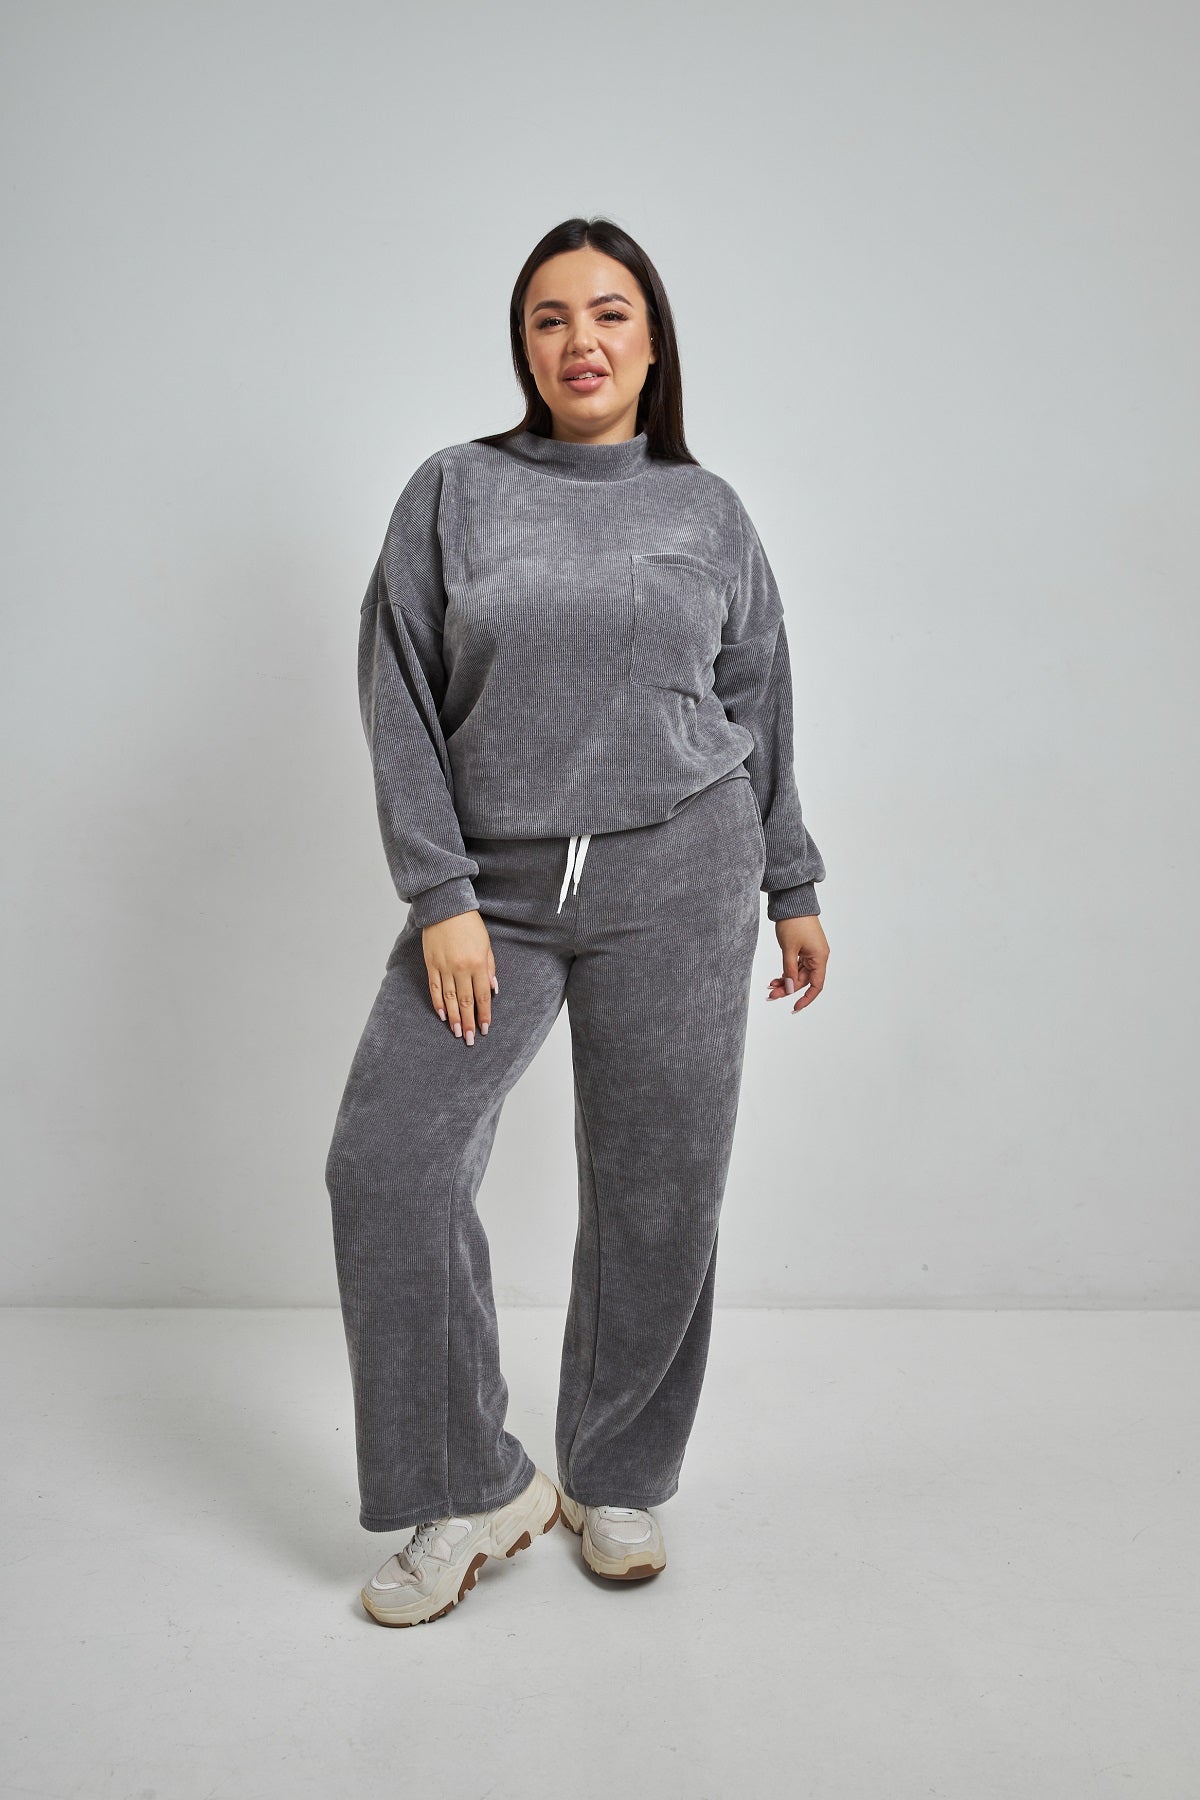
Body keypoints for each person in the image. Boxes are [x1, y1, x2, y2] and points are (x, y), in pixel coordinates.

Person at [325, 215, 831, 1628]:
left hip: (684, 874)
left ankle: (618, 1474)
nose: (581, 340)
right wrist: (440, 894)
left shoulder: (707, 510)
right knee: (387, 1164)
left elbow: (758, 700)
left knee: (661, 1187)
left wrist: (791, 883)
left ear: (652, 342)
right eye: (551, 318)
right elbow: (398, 695)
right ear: (524, 346)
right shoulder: (455, 491)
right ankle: (473, 1485)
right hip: (492, 893)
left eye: (610, 313)